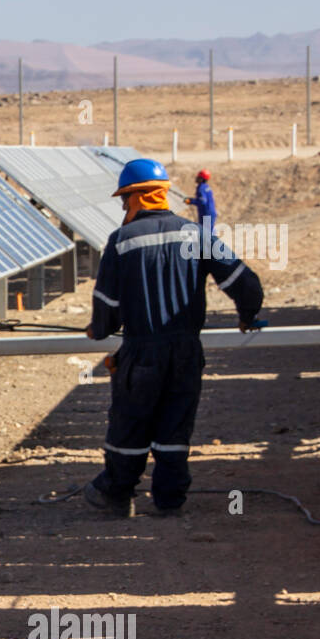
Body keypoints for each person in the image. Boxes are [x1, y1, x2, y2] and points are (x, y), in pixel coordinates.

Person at [83, 158, 263, 517]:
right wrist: (247, 317)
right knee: (175, 424)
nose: (122, 207)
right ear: (161, 195)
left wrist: (98, 330)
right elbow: (246, 283)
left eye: (124, 200)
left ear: (136, 197)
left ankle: (117, 494)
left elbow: (107, 306)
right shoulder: (195, 235)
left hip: (141, 353)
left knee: (130, 424)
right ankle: (169, 500)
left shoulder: (121, 241)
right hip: (185, 352)